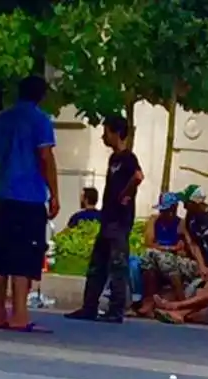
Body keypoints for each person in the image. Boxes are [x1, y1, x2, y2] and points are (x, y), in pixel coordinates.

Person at [0, 75, 59, 332]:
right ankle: (19, 315)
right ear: (41, 96)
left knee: (1, 255)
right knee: (25, 255)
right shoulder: (41, 120)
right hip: (30, 197)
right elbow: (45, 157)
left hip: (4, 194)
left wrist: (8, 165)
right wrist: (54, 193)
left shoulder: (0, 119)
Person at [65, 115, 143, 323]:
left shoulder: (128, 157)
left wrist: (125, 194)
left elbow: (138, 177)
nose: (103, 137)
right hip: (108, 219)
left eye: (106, 131)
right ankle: (89, 306)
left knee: (117, 265)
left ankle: (116, 310)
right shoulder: (113, 159)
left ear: (116, 132)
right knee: (98, 264)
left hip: (120, 220)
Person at [136, 191, 196, 317]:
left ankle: (181, 301)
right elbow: (149, 242)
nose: (163, 214)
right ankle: (149, 299)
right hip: (158, 255)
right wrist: (168, 248)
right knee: (148, 256)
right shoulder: (155, 220)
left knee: (164, 259)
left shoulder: (180, 223)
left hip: (172, 260)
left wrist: (163, 248)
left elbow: (181, 249)